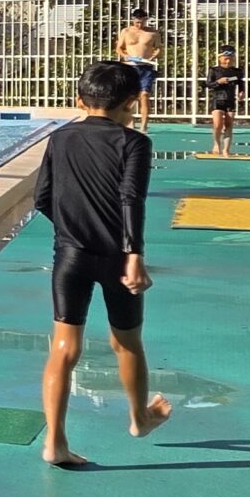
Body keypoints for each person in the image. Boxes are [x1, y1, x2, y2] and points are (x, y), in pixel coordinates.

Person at [34, 60, 168, 468]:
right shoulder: (134, 142)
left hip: (69, 255)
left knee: (63, 347)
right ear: (132, 102)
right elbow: (131, 198)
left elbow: (42, 198)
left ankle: (54, 442)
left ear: (80, 100)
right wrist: (134, 255)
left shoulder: (59, 138)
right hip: (118, 259)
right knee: (127, 342)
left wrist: (71, 231)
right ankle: (139, 418)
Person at [113, 8, 164, 134]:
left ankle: (144, 126)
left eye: (141, 22)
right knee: (128, 97)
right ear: (133, 20)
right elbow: (119, 48)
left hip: (146, 67)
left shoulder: (153, 33)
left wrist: (153, 56)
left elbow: (159, 48)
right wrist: (125, 56)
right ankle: (128, 123)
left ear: (145, 20)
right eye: (137, 22)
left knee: (144, 95)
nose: (139, 25)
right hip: (130, 66)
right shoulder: (126, 31)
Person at [203, 48, 247, 157]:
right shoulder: (214, 70)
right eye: (226, 58)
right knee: (218, 124)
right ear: (220, 58)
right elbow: (208, 84)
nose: (228, 61)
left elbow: (241, 83)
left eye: (231, 59)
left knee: (229, 124)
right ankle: (216, 143)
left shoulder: (237, 71)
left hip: (230, 100)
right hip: (217, 100)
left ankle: (226, 149)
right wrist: (219, 81)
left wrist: (242, 92)